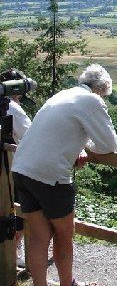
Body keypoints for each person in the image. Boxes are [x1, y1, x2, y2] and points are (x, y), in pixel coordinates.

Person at [11, 64, 117, 286]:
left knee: (39, 236)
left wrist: (79, 145)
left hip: (22, 168)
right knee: (63, 234)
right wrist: (88, 147)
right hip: (50, 175)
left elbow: (57, 133)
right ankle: (67, 283)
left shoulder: (63, 94)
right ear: (102, 89)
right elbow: (109, 145)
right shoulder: (92, 100)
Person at [0, 68, 33, 267]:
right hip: (10, 167)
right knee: (16, 210)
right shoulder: (11, 107)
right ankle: (13, 255)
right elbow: (28, 135)